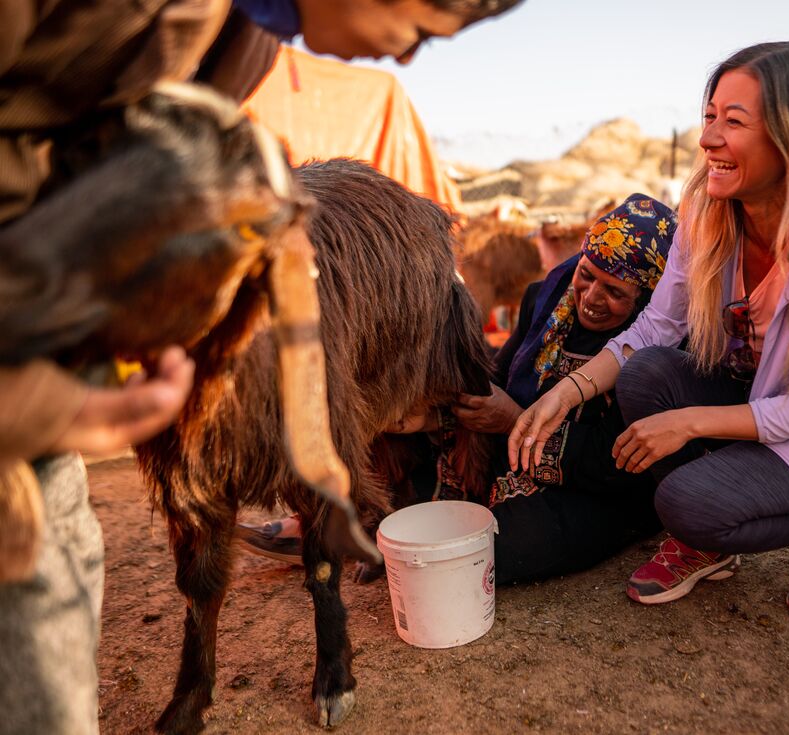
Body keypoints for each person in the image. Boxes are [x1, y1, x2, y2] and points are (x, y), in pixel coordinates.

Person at [0, 2, 522, 733]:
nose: (408, 59)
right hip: (40, 311)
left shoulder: (249, 37)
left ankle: (331, 646)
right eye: (425, 28)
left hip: (87, 315)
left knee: (57, 558)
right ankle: (196, 678)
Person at [509, 38, 789, 615]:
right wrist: (566, 394)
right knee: (645, 375)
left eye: (734, 122)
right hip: (757, 398)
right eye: (709, 116)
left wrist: (688, 423)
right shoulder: (708, 215)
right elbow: (655, 327)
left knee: (688, 505)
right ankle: (714, 541)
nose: (708, 139)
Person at [239, 193, 680, 584]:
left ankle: (362, 536)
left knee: (495, 545)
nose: (589, 297)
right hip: (514, 455)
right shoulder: (547, 298)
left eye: (614, 291)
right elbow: (497, 377)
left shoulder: (654, 356)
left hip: (598, 485)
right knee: (400, 450)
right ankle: (333, 525)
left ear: (646, 298)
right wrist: (434, 415)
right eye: (587, 274)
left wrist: (510, 420)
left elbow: (614, 463)